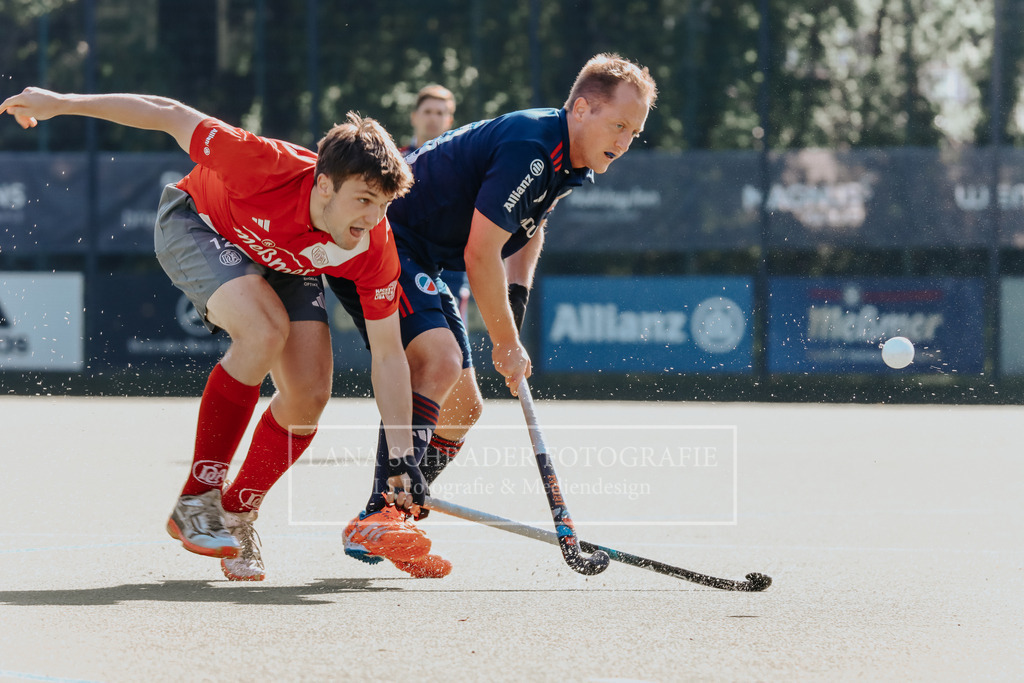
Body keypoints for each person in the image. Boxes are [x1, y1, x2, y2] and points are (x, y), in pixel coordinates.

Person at [0, 88, 421, 582]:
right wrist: (62, 102)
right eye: (365, 200)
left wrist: (403, 454)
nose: (374, 219)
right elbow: (169, 114)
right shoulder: (262, 163)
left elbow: (390, 356)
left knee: (308, 394)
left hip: (283, 259)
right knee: (264, 331)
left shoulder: (373, 244)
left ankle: (237, 513)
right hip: (197, 222)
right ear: (324, 185)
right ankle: (197, 499)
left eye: (385, 204)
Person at [327, 53, 658, 578]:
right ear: (581, 108)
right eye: (618, 125)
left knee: (463, 408)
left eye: (634, 132)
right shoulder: (532, 145)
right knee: (438, 359)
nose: (623, 141)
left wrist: (517, 302)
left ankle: (387, 515)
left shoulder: (567, 159)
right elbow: (481, 255)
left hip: (425, 255)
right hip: (384, 237)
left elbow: (530, 223)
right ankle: (386, 511)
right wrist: (505, 342)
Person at [400, 84, 472, 321]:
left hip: (450, 268)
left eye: (440, 113)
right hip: (402, 264)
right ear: (414, 116)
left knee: (455, 349)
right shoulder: (393, 161)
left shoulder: (464, 163)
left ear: (449, 120)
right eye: (428, 111)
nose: (433, 118)